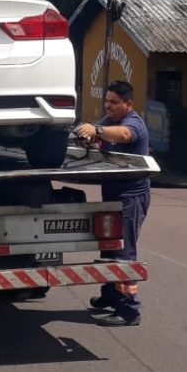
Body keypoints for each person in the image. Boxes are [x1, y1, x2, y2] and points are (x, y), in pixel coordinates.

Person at [75, 80, 150, 327]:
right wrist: (89, 137)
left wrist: (96, 131)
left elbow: (125, 136)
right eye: (106, 101)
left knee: (123, 252)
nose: (108, 106)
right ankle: (110, 295)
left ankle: (129, 310)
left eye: (114, 102)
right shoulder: (109, 122)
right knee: (108, 246)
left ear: (128, 104)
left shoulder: (133, 124)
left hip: (131, 196)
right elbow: (99, 135)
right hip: (112, 193)